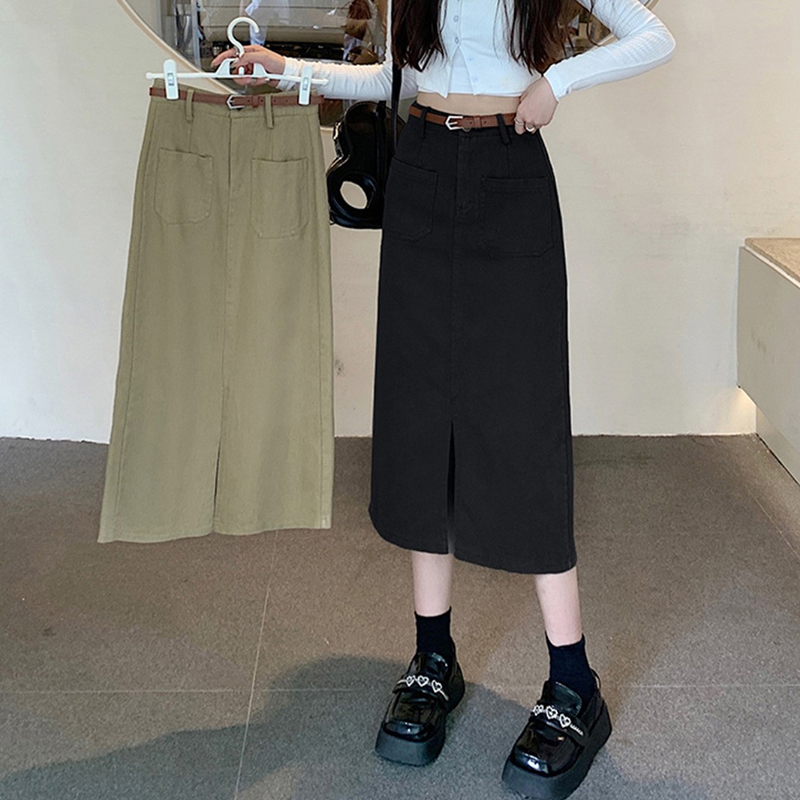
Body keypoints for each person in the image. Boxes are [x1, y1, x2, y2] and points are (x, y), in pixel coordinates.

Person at [212, 1, 675, 797]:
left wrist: (558, 82)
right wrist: (288, 71)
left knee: (523, 424)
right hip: (422, 171)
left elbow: (653, 37)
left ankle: (573, 682)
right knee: (419, 418)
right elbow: (390, 80)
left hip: (510, 174)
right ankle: (433, 658)